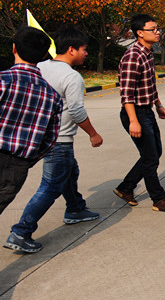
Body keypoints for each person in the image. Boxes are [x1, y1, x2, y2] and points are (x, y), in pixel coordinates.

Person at [8, 27, 103, 252]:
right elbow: (78, 112)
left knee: (69, 171)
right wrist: (93, 133)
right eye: (84, 49)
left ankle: (75, 208)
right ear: (71, 50)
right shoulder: (72, 77)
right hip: (59, 139)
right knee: (50, 186)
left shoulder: (39, 67)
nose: (86, 53)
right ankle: (21, 232)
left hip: (38, 136)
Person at [1, 27, 63, 253]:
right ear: (45, 55)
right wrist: (26, 160)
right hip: (17, 166)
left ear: (14, 49)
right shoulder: (51, 95)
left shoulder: (2, 81)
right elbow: (49, 139)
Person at [114, 15, 165, 214]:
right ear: (139, 33)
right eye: (153, 29)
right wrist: (133, 121)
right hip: (135, 114)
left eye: (157, 29)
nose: (157, 32)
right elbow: (127, 93)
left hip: (146, 111)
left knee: (153, 153)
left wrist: (157, 104)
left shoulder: (147, 53)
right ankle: (158, 198)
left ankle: (125, 188)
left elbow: (149, 84)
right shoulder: (133, 55)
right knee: (150, 157)